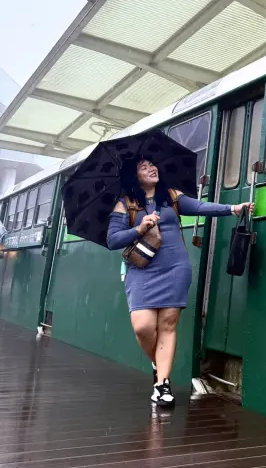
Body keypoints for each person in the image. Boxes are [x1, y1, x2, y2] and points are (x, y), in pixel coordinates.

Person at [107, 157, 253, 406]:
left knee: (167, 326)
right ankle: (157, 362)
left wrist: (232, 209)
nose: (152, 168)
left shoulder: (171, 196)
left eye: (153, 164)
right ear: (134, 175)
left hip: (175, 268)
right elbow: (113, 240)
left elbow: (199, 207)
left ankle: (162, 384)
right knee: (143, 326)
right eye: (144, 167)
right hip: (142, 271)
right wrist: (140, 228)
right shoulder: (126, 204)